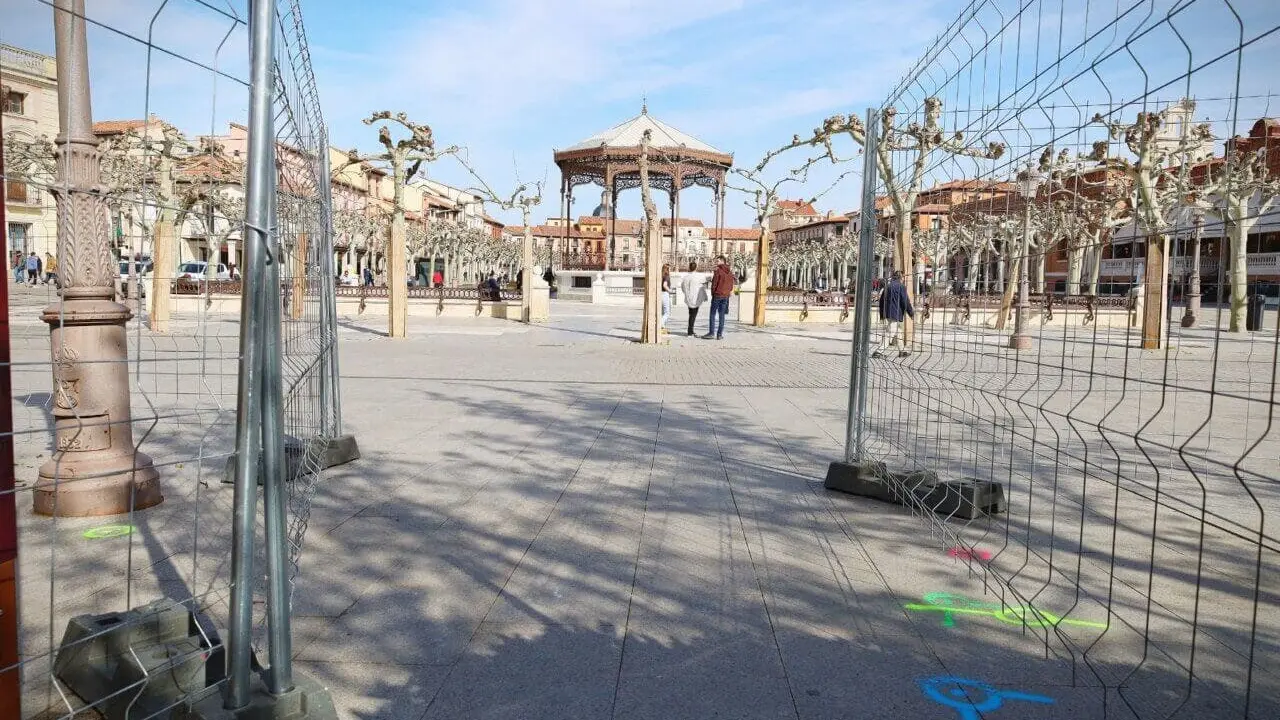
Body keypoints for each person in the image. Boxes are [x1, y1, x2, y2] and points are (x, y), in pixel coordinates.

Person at [874, 270, 915, 358]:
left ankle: (902, 351)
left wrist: (882, 315)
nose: (904, 279)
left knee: (898, 331)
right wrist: (911, 313)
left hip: (888, 313)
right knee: (890, 332)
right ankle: (879, 351)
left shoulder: (887, 286)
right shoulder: (901, 286)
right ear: (901, 277)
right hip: (895, 313)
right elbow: (905, 301)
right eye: (903, 277)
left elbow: (881, 301)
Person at [703, 255, 735, 340]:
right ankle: (719, 334)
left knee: (712, 314)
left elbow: (714, 284)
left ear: (722, 261)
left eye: (717, 261)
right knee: (722, 315)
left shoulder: (718, 271)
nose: (716, 263)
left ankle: (711, 333)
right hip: (725, 296)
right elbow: (731, 284)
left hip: (717, 295)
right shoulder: (730, 272)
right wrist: (727, 292)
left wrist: (713, 293)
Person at [680, 260, 709, 336]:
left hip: (689, 298)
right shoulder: (699, 276)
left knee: (691, 314)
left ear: (689, 267)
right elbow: (702, 286)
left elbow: (683, 287)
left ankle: (691, 330)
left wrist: (686, 294)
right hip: (696, 298)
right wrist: (705, 296)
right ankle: (690, 331)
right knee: (693, 315)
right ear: (696, 267)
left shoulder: (685, 277)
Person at [660, 264, 672, 333]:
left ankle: (662, 327)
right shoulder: (666, 276)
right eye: (669, 268)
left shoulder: (661, 275)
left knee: (662, 312)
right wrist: (670, 291)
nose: (670, 270)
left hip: (660, 294)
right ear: (667, 269)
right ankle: (660, 324)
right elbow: (664, 285)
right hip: (665, 294)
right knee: (667, 312)